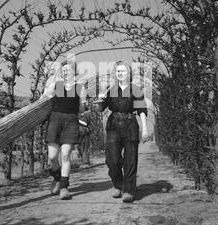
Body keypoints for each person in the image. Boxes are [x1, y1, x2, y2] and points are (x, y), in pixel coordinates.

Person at [94, 61, 149, 203]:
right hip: (113, 125)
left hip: (130, 125)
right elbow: (100, 108)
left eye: (123, 71)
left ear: (129, 73)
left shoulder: (135, 89)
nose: (120, 73)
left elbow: (142, 110)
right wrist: (100, 98)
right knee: (112, 159)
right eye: (118, 71)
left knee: (130, 160)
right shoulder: (111, 90)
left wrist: (145, 129)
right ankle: (117, 184)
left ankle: (129, 190)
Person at [42, 61, 87, 200]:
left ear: (74, 72)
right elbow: (44, 97)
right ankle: (57, 178)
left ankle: (64, 187)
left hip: (71, 122)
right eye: (63, 70)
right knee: (52, 157)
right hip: (55, 120)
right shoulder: (56, 85)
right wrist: (50, 82)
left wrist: (81, 110)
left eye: (68, 70)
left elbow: (81, 109)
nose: (65, 72)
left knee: (66, 155)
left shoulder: (80, 88)